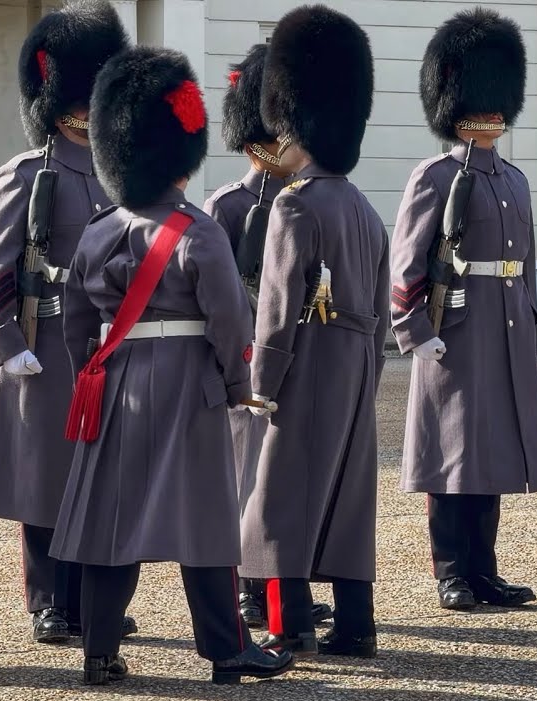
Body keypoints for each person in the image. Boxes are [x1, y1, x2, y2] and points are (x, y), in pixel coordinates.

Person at [52, 45, 293, 686]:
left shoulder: (98, 230)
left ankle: (99, 653)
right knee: (207, 522)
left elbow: (76, 322)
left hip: (116, 379)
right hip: (189, 380)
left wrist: (94, 372)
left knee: (110, 524)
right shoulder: (198, 230)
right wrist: (238, 385)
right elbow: (230, 321)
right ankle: (225, 651)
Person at [0, 0, 133, 644]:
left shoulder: (119, 173)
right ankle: (48, 601)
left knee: (100, 476)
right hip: (48, 337)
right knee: (44, 478)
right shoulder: (28, 171)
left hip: (106, 342)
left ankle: (91, 600)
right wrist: (4, 343)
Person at [390, 8, 537, 612]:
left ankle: (484, 570)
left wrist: (530, 326)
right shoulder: (434, 176)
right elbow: (408, 261)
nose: (492, 116)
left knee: (491, 453)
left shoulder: (513, 179)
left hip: (506, 324)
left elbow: (525, 264)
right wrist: (415, 329)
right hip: (455, 327)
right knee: (452, 455)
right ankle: (452, 571)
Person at [240, 4, 385, 659]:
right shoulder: (364, 209)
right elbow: (380, 311)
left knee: (278, 498)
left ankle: (289, 622)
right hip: (354, 364)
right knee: (349, 500)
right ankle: (356, 625)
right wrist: (367, 377)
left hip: (303, 361)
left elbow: (277, 304)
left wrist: (262, 382)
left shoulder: (295, 203)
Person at [203, 41, 333, 634]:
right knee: (243, 482)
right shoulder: (227, 208)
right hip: (246, 362)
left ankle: (286, 589)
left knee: (288, 482)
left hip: (294, 357)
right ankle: (250, 593)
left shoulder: (308, 199)